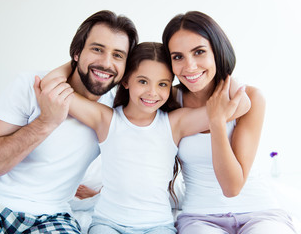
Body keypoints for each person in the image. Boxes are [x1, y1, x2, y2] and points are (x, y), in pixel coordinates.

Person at [0, 10, 138, 234]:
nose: (106, 63)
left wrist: (101, 195)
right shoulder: (30, 85)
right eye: (97, 49)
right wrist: (46, 122)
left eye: (118, 55)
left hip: (52, 216)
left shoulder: (119, 110)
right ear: (76, 52)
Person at [42, 41, 248, 234]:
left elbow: (241, 103)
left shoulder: (174, 123)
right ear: (125, 80)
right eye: (143, 81)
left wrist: (209, 67)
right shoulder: (106, 119)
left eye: (163, 84)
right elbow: (51, 86)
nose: (152, 92)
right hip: (108, 223)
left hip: (157, 226)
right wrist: (76, 61)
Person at [162, 11, 297, 233]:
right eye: (178, 57)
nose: (190, 66)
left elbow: (232, 186)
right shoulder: (168, 101)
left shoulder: (251, 98)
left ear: (217, 50)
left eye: (199, 52)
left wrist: (217, 122)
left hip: (259, 210)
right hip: (200, 216)